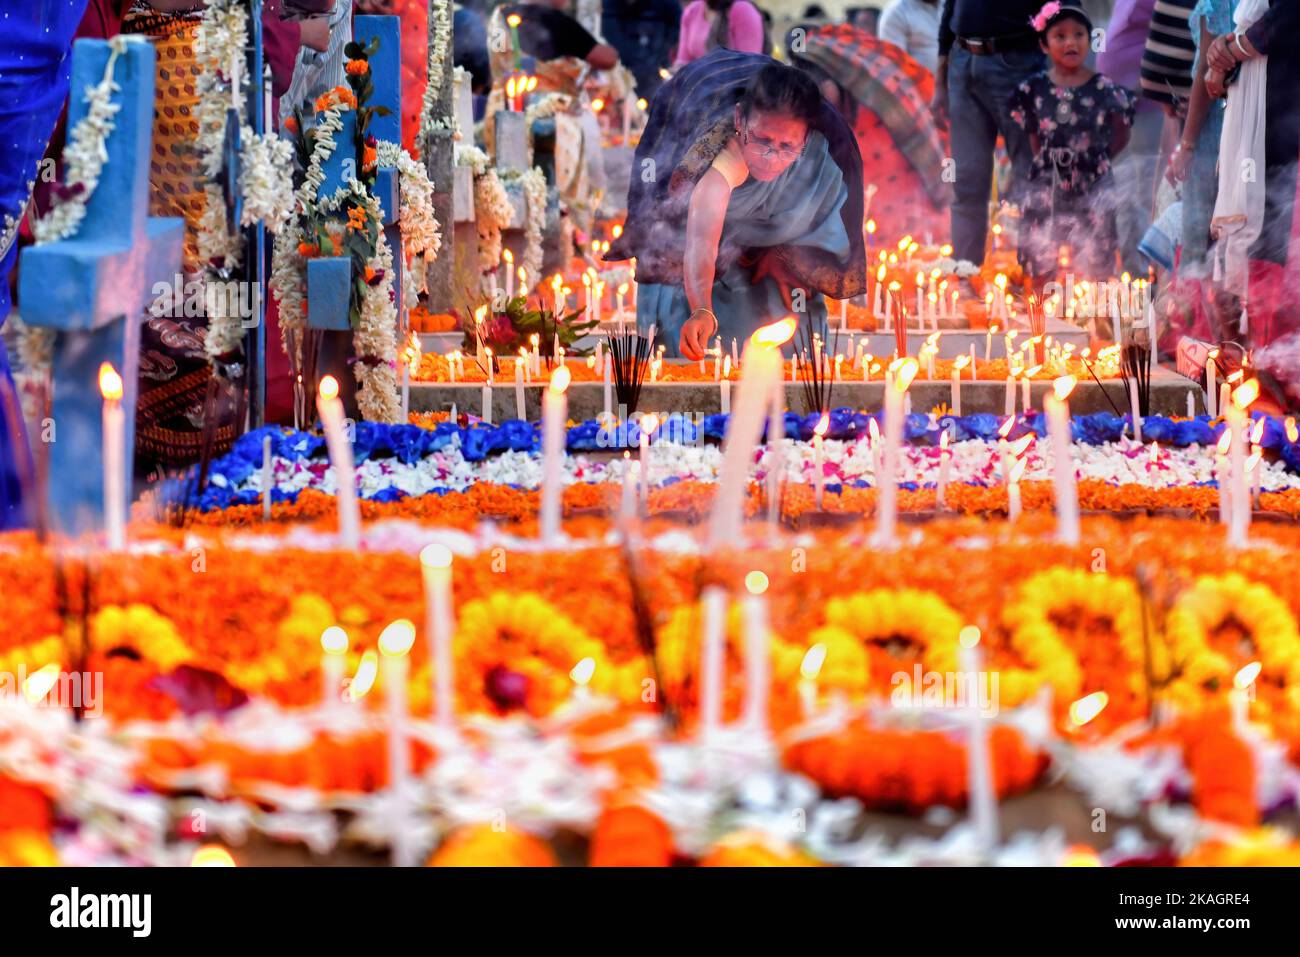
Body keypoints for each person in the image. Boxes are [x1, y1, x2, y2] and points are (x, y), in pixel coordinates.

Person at [607, 54, 867, 358]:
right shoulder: (718, 163)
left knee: (791, 354)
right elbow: (700, 245)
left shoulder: (823, 152)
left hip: (778, 268)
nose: (771, 157)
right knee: (707, 353)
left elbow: (825, 222)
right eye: (762, 140)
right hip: (698, 263)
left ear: (807, 137)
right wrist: (702, 310)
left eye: (786, 147)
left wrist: (791, 256)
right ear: (740, 119)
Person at [1009, 4, 1135, 283]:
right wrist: (1052, 162)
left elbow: (1122, 132)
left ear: (1089, 42)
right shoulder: (1032, 90)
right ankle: (1043, 317)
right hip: (1047, 182)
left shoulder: (1105, 89)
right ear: (1044, 45)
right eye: (1060, 36)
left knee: (1096, 260)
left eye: (1079, 35)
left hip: (1094, 184)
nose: (1071, 42)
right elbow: (1033, 137)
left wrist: (1098, 159)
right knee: (1042, 254)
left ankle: (1091, 320)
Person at [935, 0, 1046, 265]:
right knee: (966, 179)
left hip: (1019, 61)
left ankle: (1035, 279)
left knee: (1029, 177)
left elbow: (1064, 9)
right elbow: (950, 9)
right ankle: (965, 276)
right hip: (962, 61)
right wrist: (940, 82)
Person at [501, 0, 619, 69]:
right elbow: (607, 59)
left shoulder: (502, 16)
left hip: (506, 103)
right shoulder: (556, 22)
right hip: (550, 105)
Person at [602, 0, 681, 100]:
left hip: (656, 73)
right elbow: (611, 35)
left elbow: (675, 28)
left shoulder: (667, 5)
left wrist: (658, 56)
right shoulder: (610, 5)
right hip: (620, 74)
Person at [675, 0, 767, 66]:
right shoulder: (692, 10)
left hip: (735, 89)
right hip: (698, 88)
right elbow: (684, 62)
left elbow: (750, 68)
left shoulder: (744, 10)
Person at [877, 0, 942, 74]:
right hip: (921, 83)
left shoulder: (951, 4)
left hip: (954, 81)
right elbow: (893, 65)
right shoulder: (896, 12)